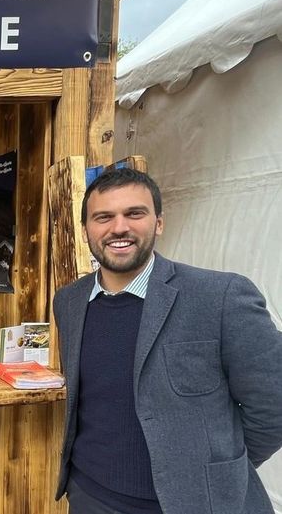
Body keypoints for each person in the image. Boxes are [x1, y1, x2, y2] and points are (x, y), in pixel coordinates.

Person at [54, 168, 282, 514]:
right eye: (103, 217)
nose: (119, 228)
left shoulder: (219, 297)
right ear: (86, 229)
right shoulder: (69, 302)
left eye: (134, 213)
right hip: (90, 497)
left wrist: (215, 466)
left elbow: (274, 404)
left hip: (192, 503)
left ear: (158, 222)